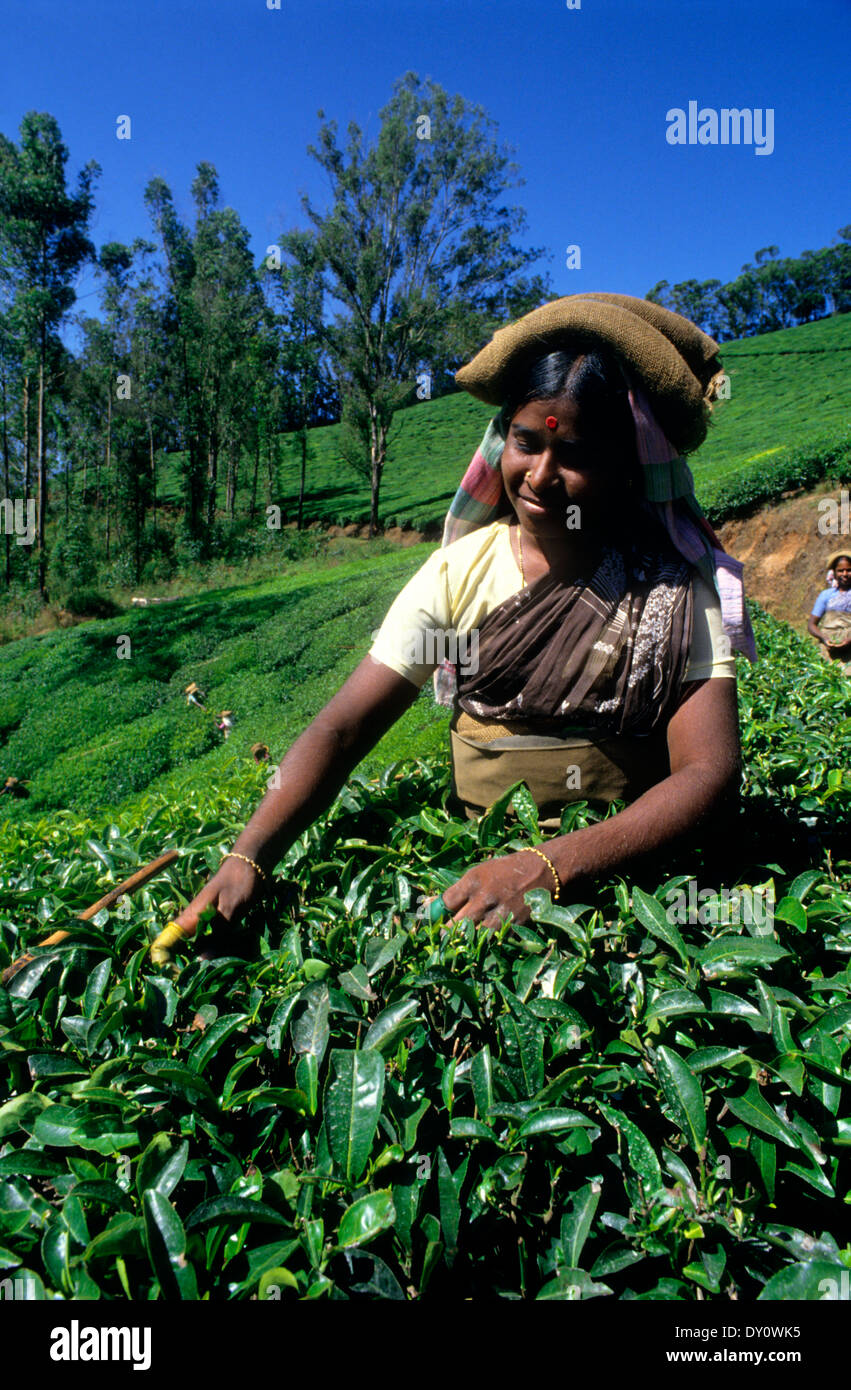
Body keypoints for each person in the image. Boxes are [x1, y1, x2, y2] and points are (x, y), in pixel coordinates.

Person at [154, 293, 752, 958]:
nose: (541, 475)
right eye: (527, 442)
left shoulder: (670, 588)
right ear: (502, 440)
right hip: (471, 871)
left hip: (621, 888)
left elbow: (708, 772)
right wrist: (250, 854)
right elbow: (343, 727)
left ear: (623, 465)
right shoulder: (456, 574)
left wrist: (551, 867)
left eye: (574, 453)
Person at [807, 551, 851, 672]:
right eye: (840, 570)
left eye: (849, 570)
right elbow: (811, 625)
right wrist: (824, 638)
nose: (845, 574)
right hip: (829, 649)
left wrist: (849, 640)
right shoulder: (826, 595)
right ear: (834, 573)